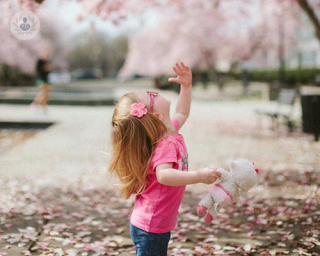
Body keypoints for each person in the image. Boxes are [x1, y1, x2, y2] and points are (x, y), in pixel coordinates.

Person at [108, 62, 221, 256]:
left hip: (153, 222)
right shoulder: (165, 144)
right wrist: (199, 176)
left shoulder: (169, 131)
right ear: (157, 115)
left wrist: (186, 87)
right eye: (152, 96)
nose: (154, 91)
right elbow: (164, 175)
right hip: (151, 226)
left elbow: (183, 112)